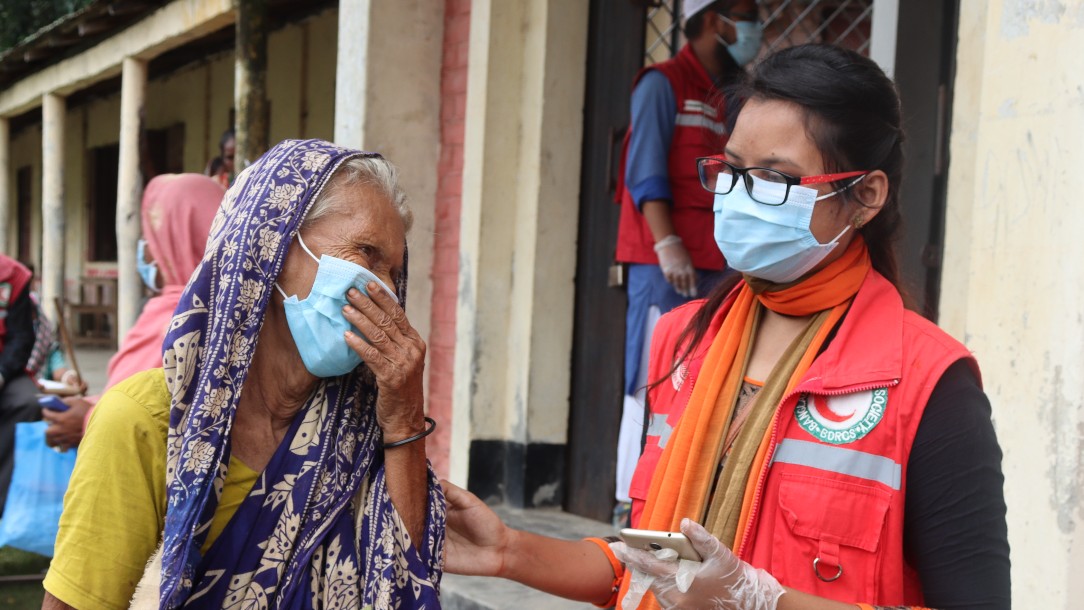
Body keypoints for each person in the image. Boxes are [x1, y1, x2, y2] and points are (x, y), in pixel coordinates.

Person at [443, 44, 1010, 609]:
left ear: (865, 195)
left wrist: (760, 601)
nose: (741, 198)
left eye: (774, 178)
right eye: (733, 171)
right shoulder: (683, 341)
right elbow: (652, 567)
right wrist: (509, 552)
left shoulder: (928, 382)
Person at [43, 139, 444, 609]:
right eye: (367, 253)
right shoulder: (147, 422)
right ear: (270, 246)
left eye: (394, 272)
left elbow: (401, 589)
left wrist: (404, 420)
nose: (385, 290)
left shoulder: (361, 432)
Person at [612, 0, 761, 524]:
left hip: (720, 263)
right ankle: (631, 503)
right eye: (746, 12)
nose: (754, 24)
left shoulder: (735, 93)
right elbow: (645, 169)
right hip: (666, 261)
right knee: (652, 379)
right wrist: (666, 243)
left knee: (709, 373)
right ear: (713, 19)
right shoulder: (663, 84)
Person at [40, 173, 225, 452]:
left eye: (151, 236)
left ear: (178, 240)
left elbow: (141, 418)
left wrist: (87, 420)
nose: (145, 250)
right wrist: (92, 405)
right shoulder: (234, 309)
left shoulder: (178, 319)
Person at [0, 254, 37, 516]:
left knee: (28, 401)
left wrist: (1, 374)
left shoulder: (13, 275)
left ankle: (5, 507)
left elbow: (22, 337)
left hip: (5, 371)